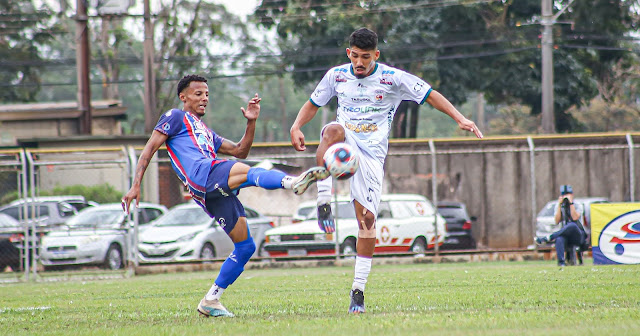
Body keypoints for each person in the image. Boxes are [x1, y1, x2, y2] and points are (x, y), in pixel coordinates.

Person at [289, 28, 483, 314]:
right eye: (354, 56)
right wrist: (296, 126)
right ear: (348, 53)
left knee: (367, 222)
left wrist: (461, 118)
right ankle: (322, 199)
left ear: (375, 55)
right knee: (331, 130)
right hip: (346, 139)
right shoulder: (336, 75)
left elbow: (430, 95)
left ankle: (358, 291)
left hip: (371, 155)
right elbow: (313, 104)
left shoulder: (394, 79)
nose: (359, 62)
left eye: (365, 57)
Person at [121, 74, 329, 318]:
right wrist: (136, 185)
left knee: (245, 246)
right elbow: (148, 150)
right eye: (198, 94)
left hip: (209, 191)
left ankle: (211, 300)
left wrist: (251, 122)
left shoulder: (207, 133)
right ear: (183, 97)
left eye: (207, 94)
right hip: (202, 174)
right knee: (247, 172)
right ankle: (292, 182)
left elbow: (241, 150)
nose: (204, 99)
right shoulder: (174, 117)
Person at [536, 185, 587, 267]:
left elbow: (575, 217)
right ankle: (561, 263)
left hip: (578, 236)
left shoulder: (578, 205)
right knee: (559, 239)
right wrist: (560, 205)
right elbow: (556, 220)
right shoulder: (559, 206)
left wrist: (570, 203)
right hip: (565, 236)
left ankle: (549, 237)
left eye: (568, 194)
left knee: (572, 225)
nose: (566, 197)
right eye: (564, 195)